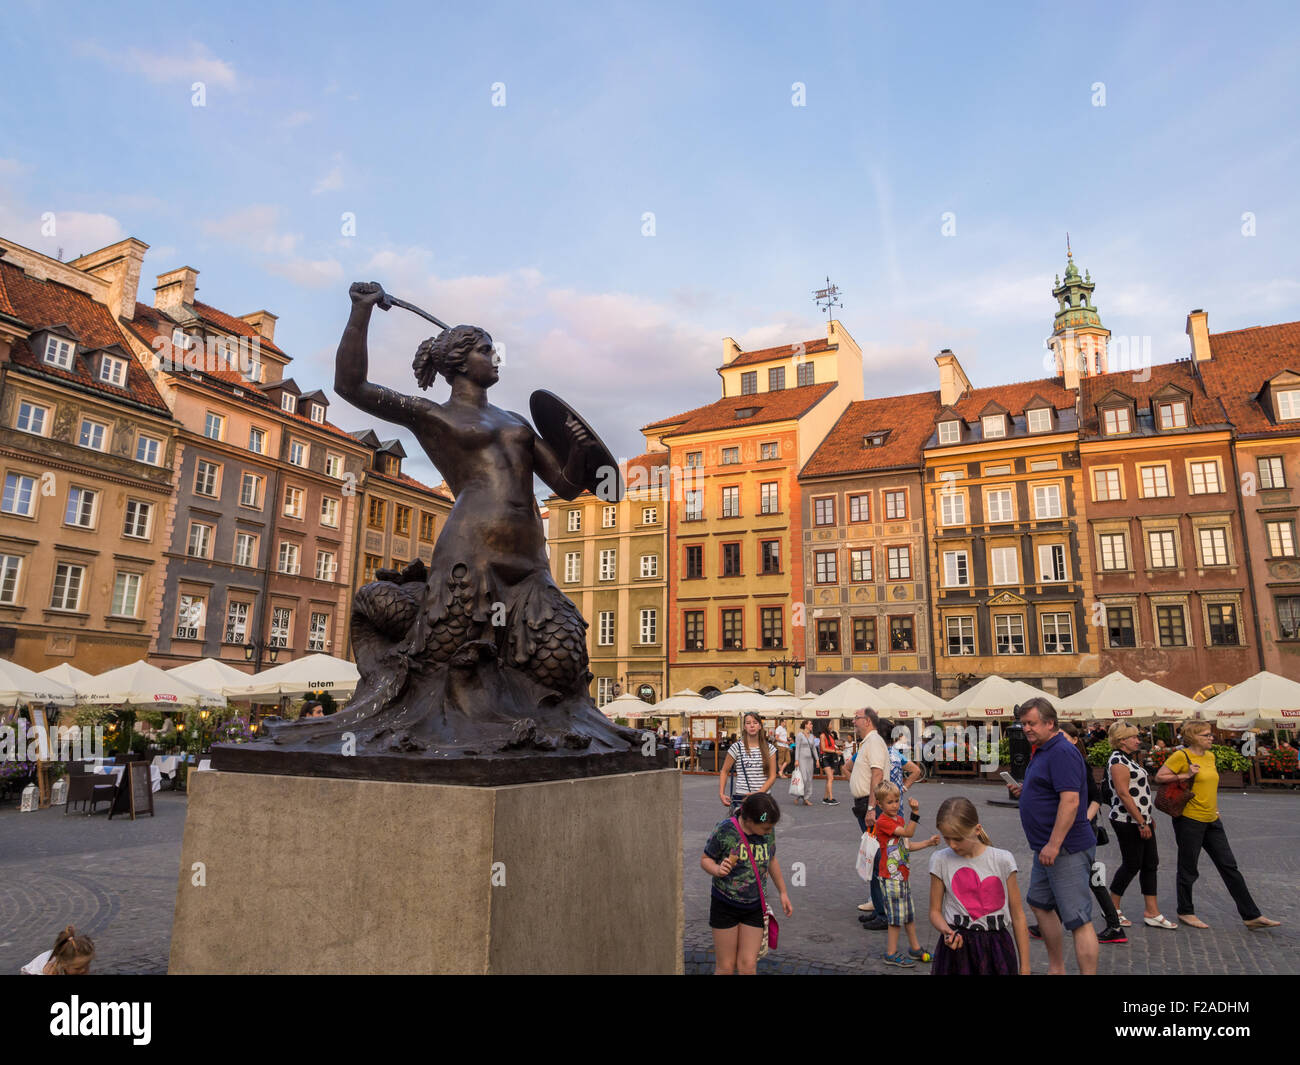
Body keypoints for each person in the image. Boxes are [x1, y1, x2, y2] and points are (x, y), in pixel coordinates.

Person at [1156, 721, 1281, 930]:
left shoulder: (1211, 756)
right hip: (1189, 820)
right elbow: (1160, 776)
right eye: (1206, 735)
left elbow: (1209, 787)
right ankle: (1185, 911)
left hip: (1212, 819)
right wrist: (1185, 775)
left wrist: (1214, 808)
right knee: (1188, 868)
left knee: (1229, 866)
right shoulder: (1182, 756)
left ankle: (1251, 915)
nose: (1211, 737)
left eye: (1210, 735)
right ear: (1194, 737)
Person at [1006, 699, 1099, 975]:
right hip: (1045, 848)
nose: (1026, 729)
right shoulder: (1043, 749)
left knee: (1078, 919)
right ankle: (1056, 968)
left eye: (1031, 723)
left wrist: (1054, 844)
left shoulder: (1061, 751)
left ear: (1050, 723)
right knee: (1039, 903)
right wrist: (1027, 791)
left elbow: (1070, 802)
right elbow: (1052, 789)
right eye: (1023, 724)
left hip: (1064, 848)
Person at [929, 796, 1031, 975]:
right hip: (956, 946)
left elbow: (1018, 915)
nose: (952, 845)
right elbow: (934, 911)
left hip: (997, 947)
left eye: (958, 839)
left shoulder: (1002, 860)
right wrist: (946, 931)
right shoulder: (940, 860)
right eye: (947, 838)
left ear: (977, 829)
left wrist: (1025, 966)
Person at [701, 792, 794, 975]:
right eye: (766, 828)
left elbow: (772, 860)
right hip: (725, 903)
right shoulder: (726, 829)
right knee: (726, 967)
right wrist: (717, 869)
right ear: (750, 820)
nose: (769, 832)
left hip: (754, 905)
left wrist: (783, 892)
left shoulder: (767, 829)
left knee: (748, 965)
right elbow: (705, 859)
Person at [1061, 723, 1126, 944]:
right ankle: (1047, 923)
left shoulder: (1080, 764)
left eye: (1062, 736)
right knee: (1060, 875)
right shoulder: (1064, 763)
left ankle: (1114, 925)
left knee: (1091, 878)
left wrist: (1083, 822)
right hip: (1072, 830)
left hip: (1082, 830)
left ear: (1074, 739)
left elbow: (1096, 798)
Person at [1106, 722, 1173, 930]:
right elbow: (1124, 794)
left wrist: (1146, 818)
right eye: (1134, 737)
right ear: (1122, 740)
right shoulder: (1118, 761)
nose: (1138, 740)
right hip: (1127, 820)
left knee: (1150, 863)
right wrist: (1141, 821)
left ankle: (1152, 911)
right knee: (1132, 863)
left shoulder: (1128, 759)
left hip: (1141, 819)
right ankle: (1112, 907)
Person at [872, 783, 941, 967]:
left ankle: (915, 948)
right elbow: (909, 832)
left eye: (896, 801)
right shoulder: (883, 822)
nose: (894, 805)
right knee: (895, 918)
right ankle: (891, 953)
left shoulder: (900, 820)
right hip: (890, 876)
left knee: (909, 915)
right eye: (889, 802)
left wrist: (928, 843)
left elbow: (907, 846)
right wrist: (915, 813)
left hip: (902, 876)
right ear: (880, 805)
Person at [849, 707, 891, 930]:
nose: (853, 722)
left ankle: (883, 914)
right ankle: (878, 907)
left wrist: (872, 807)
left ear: (867, 721)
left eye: (856, 719)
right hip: (865, 803)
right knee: (874, 857)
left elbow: (877, 775)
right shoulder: (869, 742)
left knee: (877, 859)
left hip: (870, 804)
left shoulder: (873, 742)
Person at [719, 712, 777, 815]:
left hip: (763, 799)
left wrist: (759, 793)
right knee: (743, 829)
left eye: (755, 722)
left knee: (764, 827)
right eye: (748, 723)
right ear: (744, 727)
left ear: (760, 726)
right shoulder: (737, 747)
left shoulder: (769, 749)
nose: (752, 725)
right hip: (742, 799)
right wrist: (721, 793)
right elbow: (724, 771)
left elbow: (772, 776)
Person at [21, 926, 94, 975]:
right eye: (78, 968)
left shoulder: (73, 959)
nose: (84, 970)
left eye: (87, 965)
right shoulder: (52, 971)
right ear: (64, 964)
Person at [793, 721, 818, 806]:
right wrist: (796, 760)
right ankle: (799, 795)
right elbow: (797, 748)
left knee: (809, 779)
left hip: (810, 760)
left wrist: (817, 759)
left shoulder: (811, 736)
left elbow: (814, 748)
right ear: (805, 725)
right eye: (810, 724)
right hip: (801, 759)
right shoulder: (800, 735)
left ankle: (806, 798)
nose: (812, 725)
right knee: (804, 779)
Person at [819, 727, 839, 804]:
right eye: (830, 724)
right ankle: (831, 798)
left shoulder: (830, 735)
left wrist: (838, 749)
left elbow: (832, 746)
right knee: (831, 778)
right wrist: (835, 751)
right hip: (825, 757)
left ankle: (825, 798)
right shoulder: (822, 735)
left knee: (828, 779)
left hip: (832, 757)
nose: (831, 725)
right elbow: (823, 749)